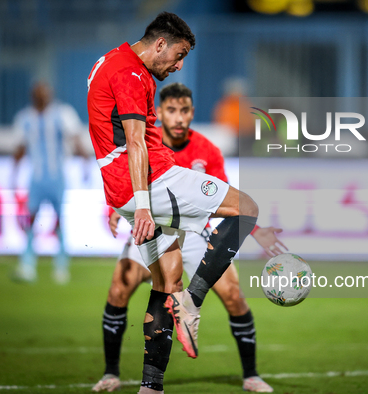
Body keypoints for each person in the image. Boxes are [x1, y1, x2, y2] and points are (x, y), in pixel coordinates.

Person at [87, 12, 262, 394]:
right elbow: (135, 142)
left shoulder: (108, 60)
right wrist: (145, 206)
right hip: (152, 182)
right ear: (160, 44)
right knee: (246, 207)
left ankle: (151, 387)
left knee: (166, 281)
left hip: (121, 191)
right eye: (179, 54)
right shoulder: (132, 75)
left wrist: (134, 204)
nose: (179, 65)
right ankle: (193, 301)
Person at [12, 82, 87, 284]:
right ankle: (27, 264)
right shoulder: (24, 118)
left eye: (45, 94)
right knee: (31, 220)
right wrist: (14, 174)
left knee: (59, 220)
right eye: (38, 94)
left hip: (57, 177)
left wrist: (85, 161)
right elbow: (19, 148)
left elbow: (76, 138)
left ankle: (61, 266)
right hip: (36, 178)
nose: (42, 97)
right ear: (33, 96)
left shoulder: (63, 114)